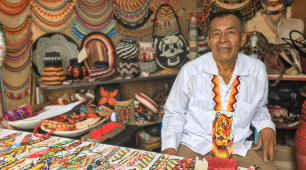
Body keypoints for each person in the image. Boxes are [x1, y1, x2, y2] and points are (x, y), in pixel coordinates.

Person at [161, 10, 277, 169]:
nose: (223, 39)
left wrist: (266, 125)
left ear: (243, 38)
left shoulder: (257, 70)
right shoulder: (190, 72)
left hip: (237, 148)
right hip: (195, 146)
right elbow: (175, 113)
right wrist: (169, 148)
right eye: (216, 34)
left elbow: (258, 107)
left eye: (230, 32)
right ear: (209, 41)